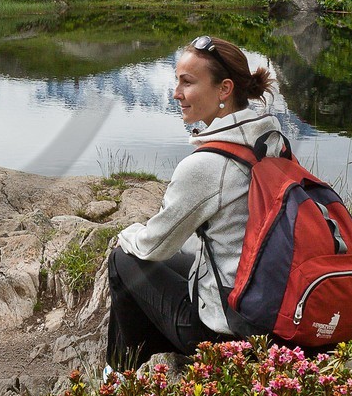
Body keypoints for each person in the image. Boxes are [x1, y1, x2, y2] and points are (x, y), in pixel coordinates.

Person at [104, 34, 283, 374]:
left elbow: (152, 245)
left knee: (123, 259)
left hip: (223, 334)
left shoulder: (207, 165)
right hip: (266, 313)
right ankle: (142, 358)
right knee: (179, 260)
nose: (176, 93)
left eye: (187, 82)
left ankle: (121, 375)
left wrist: (127, 233)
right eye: (177, 81)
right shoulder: (269, 139)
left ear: (224, 89)